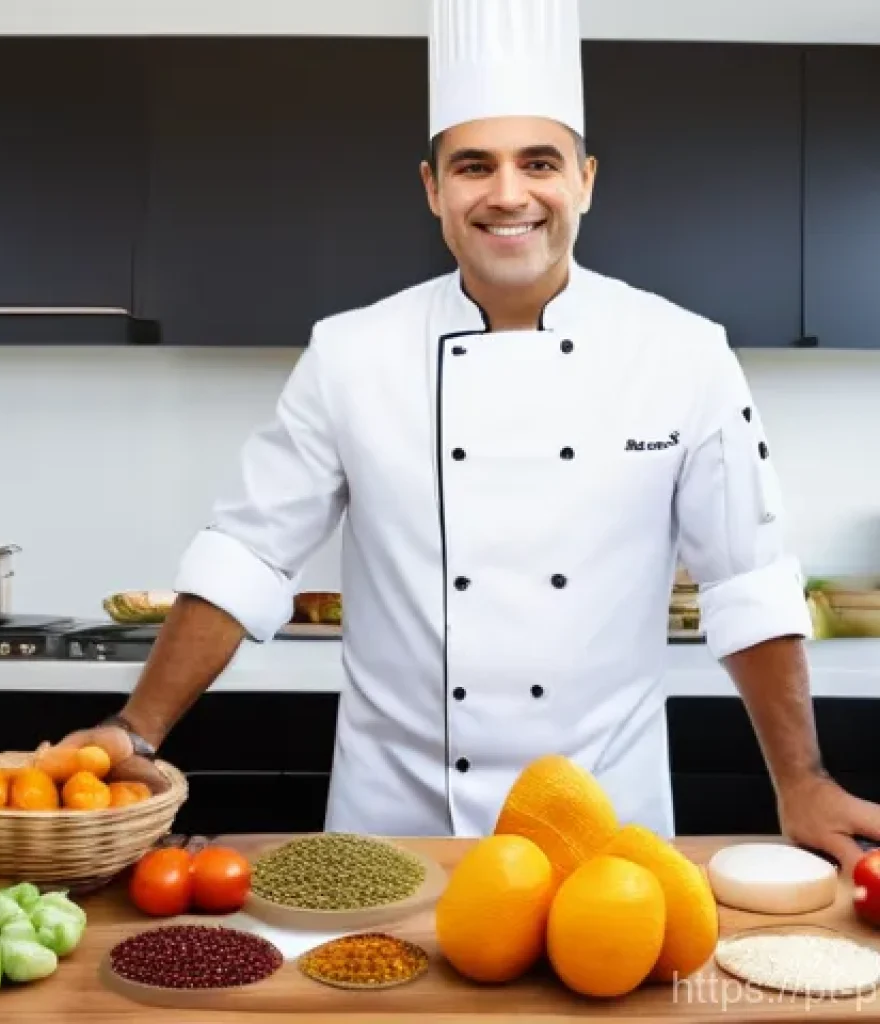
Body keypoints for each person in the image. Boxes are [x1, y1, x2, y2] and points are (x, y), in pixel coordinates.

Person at [48, 0, 880, 873]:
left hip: (605, 831)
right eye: (474, 164)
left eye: (540, 162)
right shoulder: (351, 353)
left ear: (586, 180)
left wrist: (803, 778)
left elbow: (746, 581)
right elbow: (248, 556)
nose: (509, 193)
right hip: (396, 829)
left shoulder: (683, 353)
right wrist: (132, 729)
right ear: (433, 188)